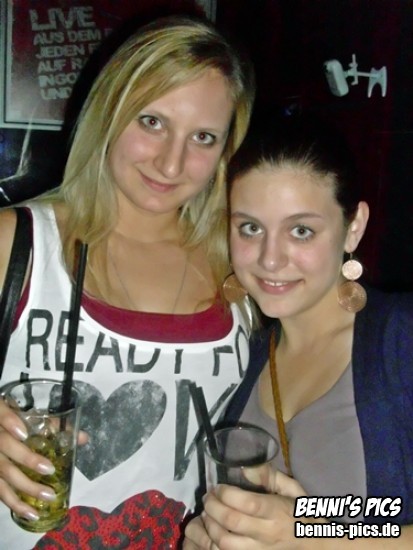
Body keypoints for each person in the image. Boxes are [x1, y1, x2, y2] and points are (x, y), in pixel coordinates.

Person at [0, 15, 255, 548]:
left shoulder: (246, 271)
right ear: (110, 113)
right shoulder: (15, 243)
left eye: (203, 137)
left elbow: (322, 458)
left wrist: (331, 527)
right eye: (152, 121)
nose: (171, 163)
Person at [183, 113, 413, 548]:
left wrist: (316, 536)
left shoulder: (400, 341)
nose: (270, 259)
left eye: (301, 231)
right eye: (250, 228)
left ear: (354, 228)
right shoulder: (245, 356)